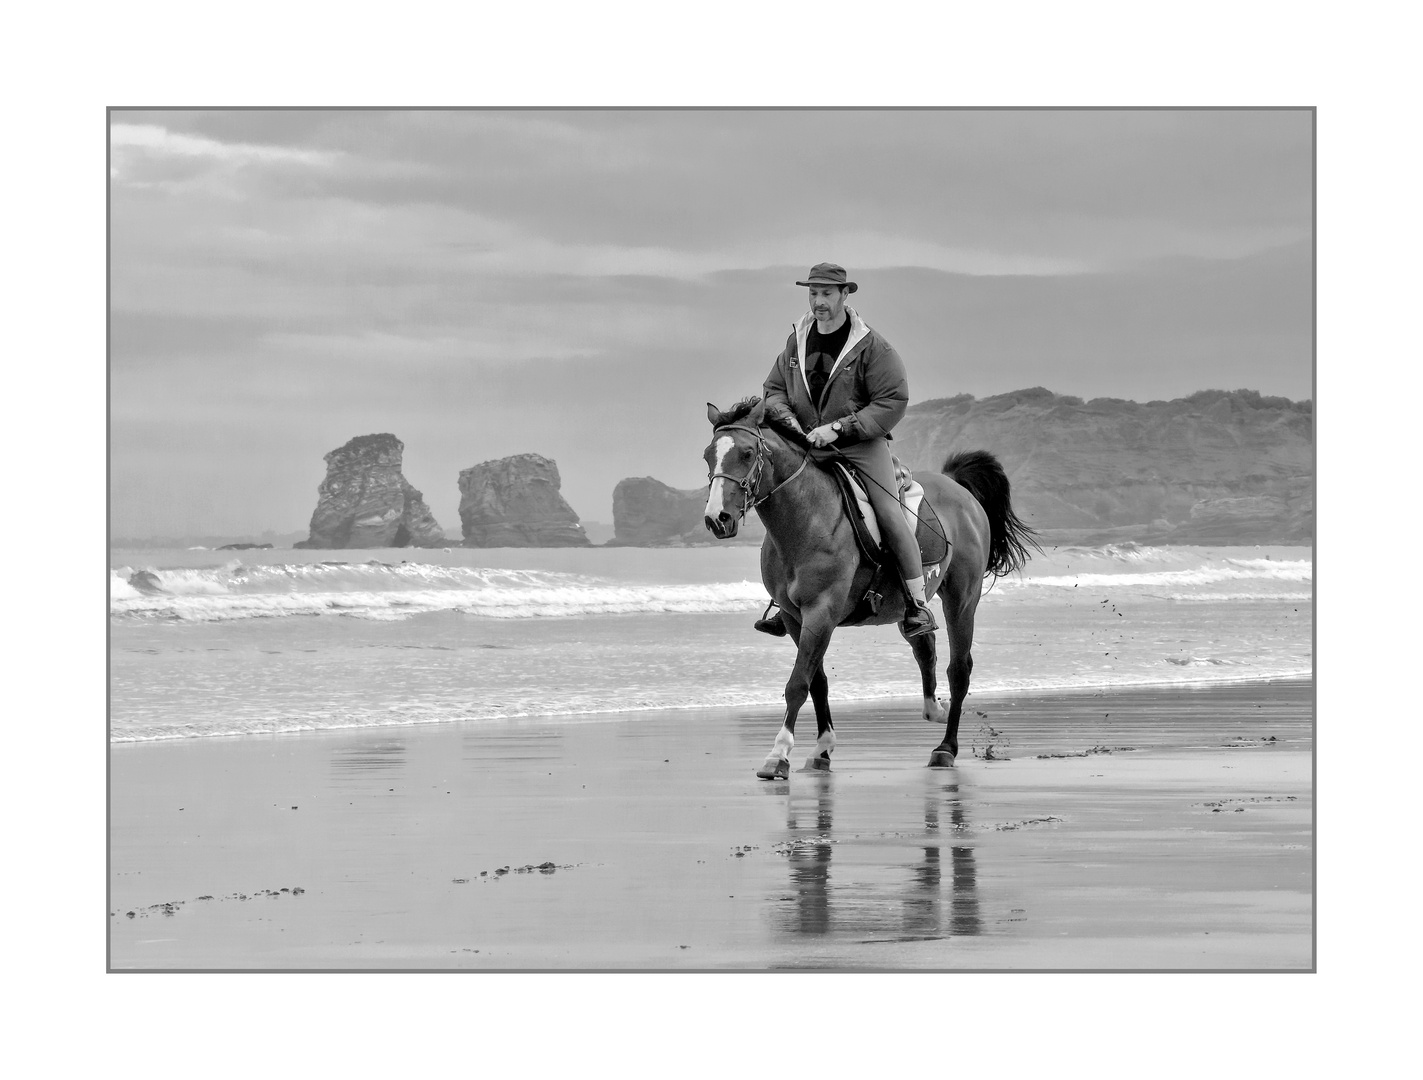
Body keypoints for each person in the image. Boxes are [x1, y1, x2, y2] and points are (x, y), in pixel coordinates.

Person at [756, 262, 937, 638]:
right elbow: (773, 390)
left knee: (888, 511)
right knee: (784, 505)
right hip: (807, 442)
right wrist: (792, 424)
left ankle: (917, 605)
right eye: (813, 293)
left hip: (859, 446)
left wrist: (840, 427)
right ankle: (784, 599)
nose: (818, 301)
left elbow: (893, 399)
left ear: (844, 295)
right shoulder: (796, 341)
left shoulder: (872, 346)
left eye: (826, 293)